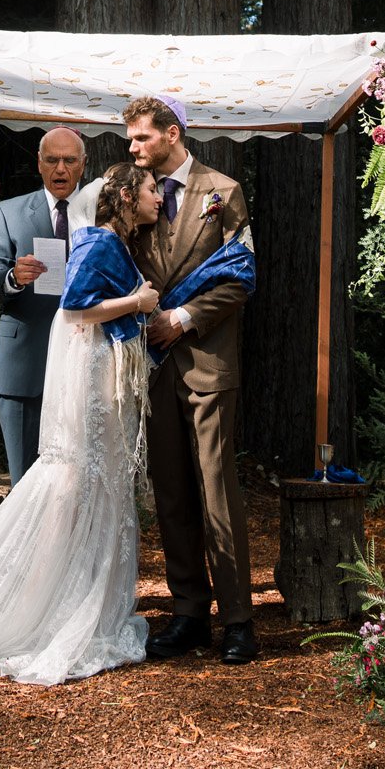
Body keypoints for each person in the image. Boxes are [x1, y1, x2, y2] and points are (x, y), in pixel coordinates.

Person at [0, 160, 162, 687]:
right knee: (74, 481)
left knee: (92, 484)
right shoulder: (101, 242)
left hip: (99, 372)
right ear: (126, 197)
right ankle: (43, 604)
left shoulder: (111, 241)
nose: (159, 196)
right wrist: (139, 301)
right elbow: (76, 308)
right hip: (91, 380)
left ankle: (75, 597)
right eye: (152, 189)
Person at [125, 93, 258, 665]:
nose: (133, 147)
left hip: (206, 361)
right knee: (173, 494)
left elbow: (241, 277)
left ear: (172, 133)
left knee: (216, 492)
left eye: (142, 137)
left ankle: (238, 619)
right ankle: (188, 613)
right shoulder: (133, 192)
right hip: (154, 369)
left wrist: (181, 317)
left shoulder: (223, 191)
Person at [0, 125, 87, 483]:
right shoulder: (8, 212)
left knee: (75, 483)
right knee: (24, 483)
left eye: (69, 160)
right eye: (52, 160)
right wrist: (13, 277)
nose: (61, 169)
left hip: (84, 362)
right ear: (39, 163)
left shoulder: (100, 212)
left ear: (83, 164)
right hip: (24, 363)